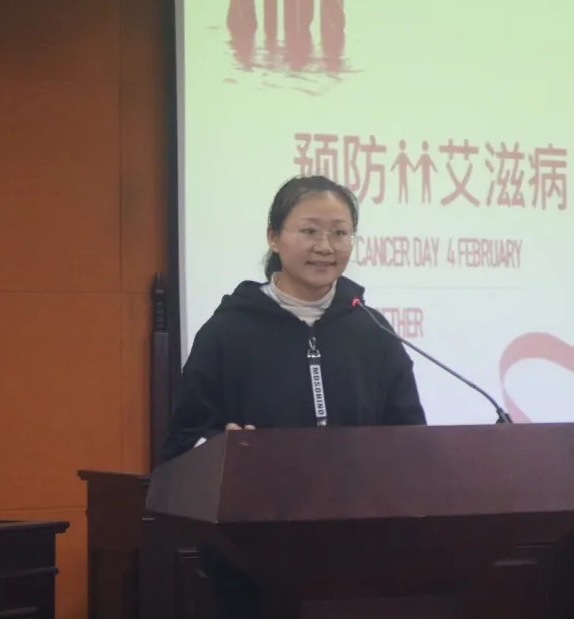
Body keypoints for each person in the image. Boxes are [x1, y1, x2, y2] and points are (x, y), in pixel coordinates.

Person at [160, 174, 427, 618]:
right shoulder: (228, 330)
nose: (326, 246)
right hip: (250, 558)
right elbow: (181, 443)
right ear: (274, 237)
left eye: (340, 233)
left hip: (358, 554)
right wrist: (221, 449)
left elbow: (410, 437)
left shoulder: (372, 330)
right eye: (309, 231)